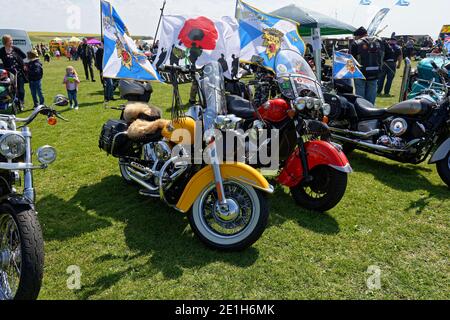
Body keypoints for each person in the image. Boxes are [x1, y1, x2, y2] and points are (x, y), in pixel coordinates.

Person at [350, 27, 385, 105]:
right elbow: (387, 54)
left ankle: (361, 109)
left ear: (358, 35)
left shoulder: (356, 43)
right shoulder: (379, 41)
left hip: (360, 73)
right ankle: (370, 110)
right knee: (371, 94)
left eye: (355, 36)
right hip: (375, 72)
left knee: (360, 95)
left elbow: (351, 58)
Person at [0, 34, 27, 110]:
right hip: (8, 74)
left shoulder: (15, 49)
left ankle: (21, 102)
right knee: (12, 89)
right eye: (10, 40)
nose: (12, 42)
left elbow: (24, 56)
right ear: (5, 42)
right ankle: (15, 103)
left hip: (19, 72)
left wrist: (20, 62)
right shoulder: (1, 51)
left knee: (21, 90)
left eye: (11, 40)